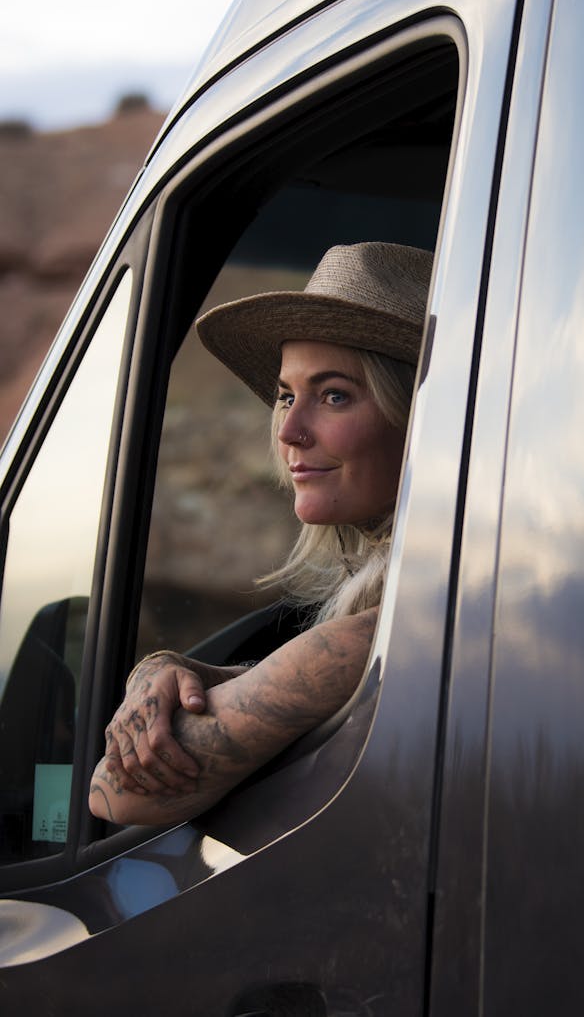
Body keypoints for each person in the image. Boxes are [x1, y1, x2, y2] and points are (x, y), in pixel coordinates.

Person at [88, 241, 432, 827]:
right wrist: (171, 668)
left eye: (334, 395)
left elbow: (113, 795)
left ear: (418, 415)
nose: (290, 430)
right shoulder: (433, 611)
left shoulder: (378, 638)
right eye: (286, 396)